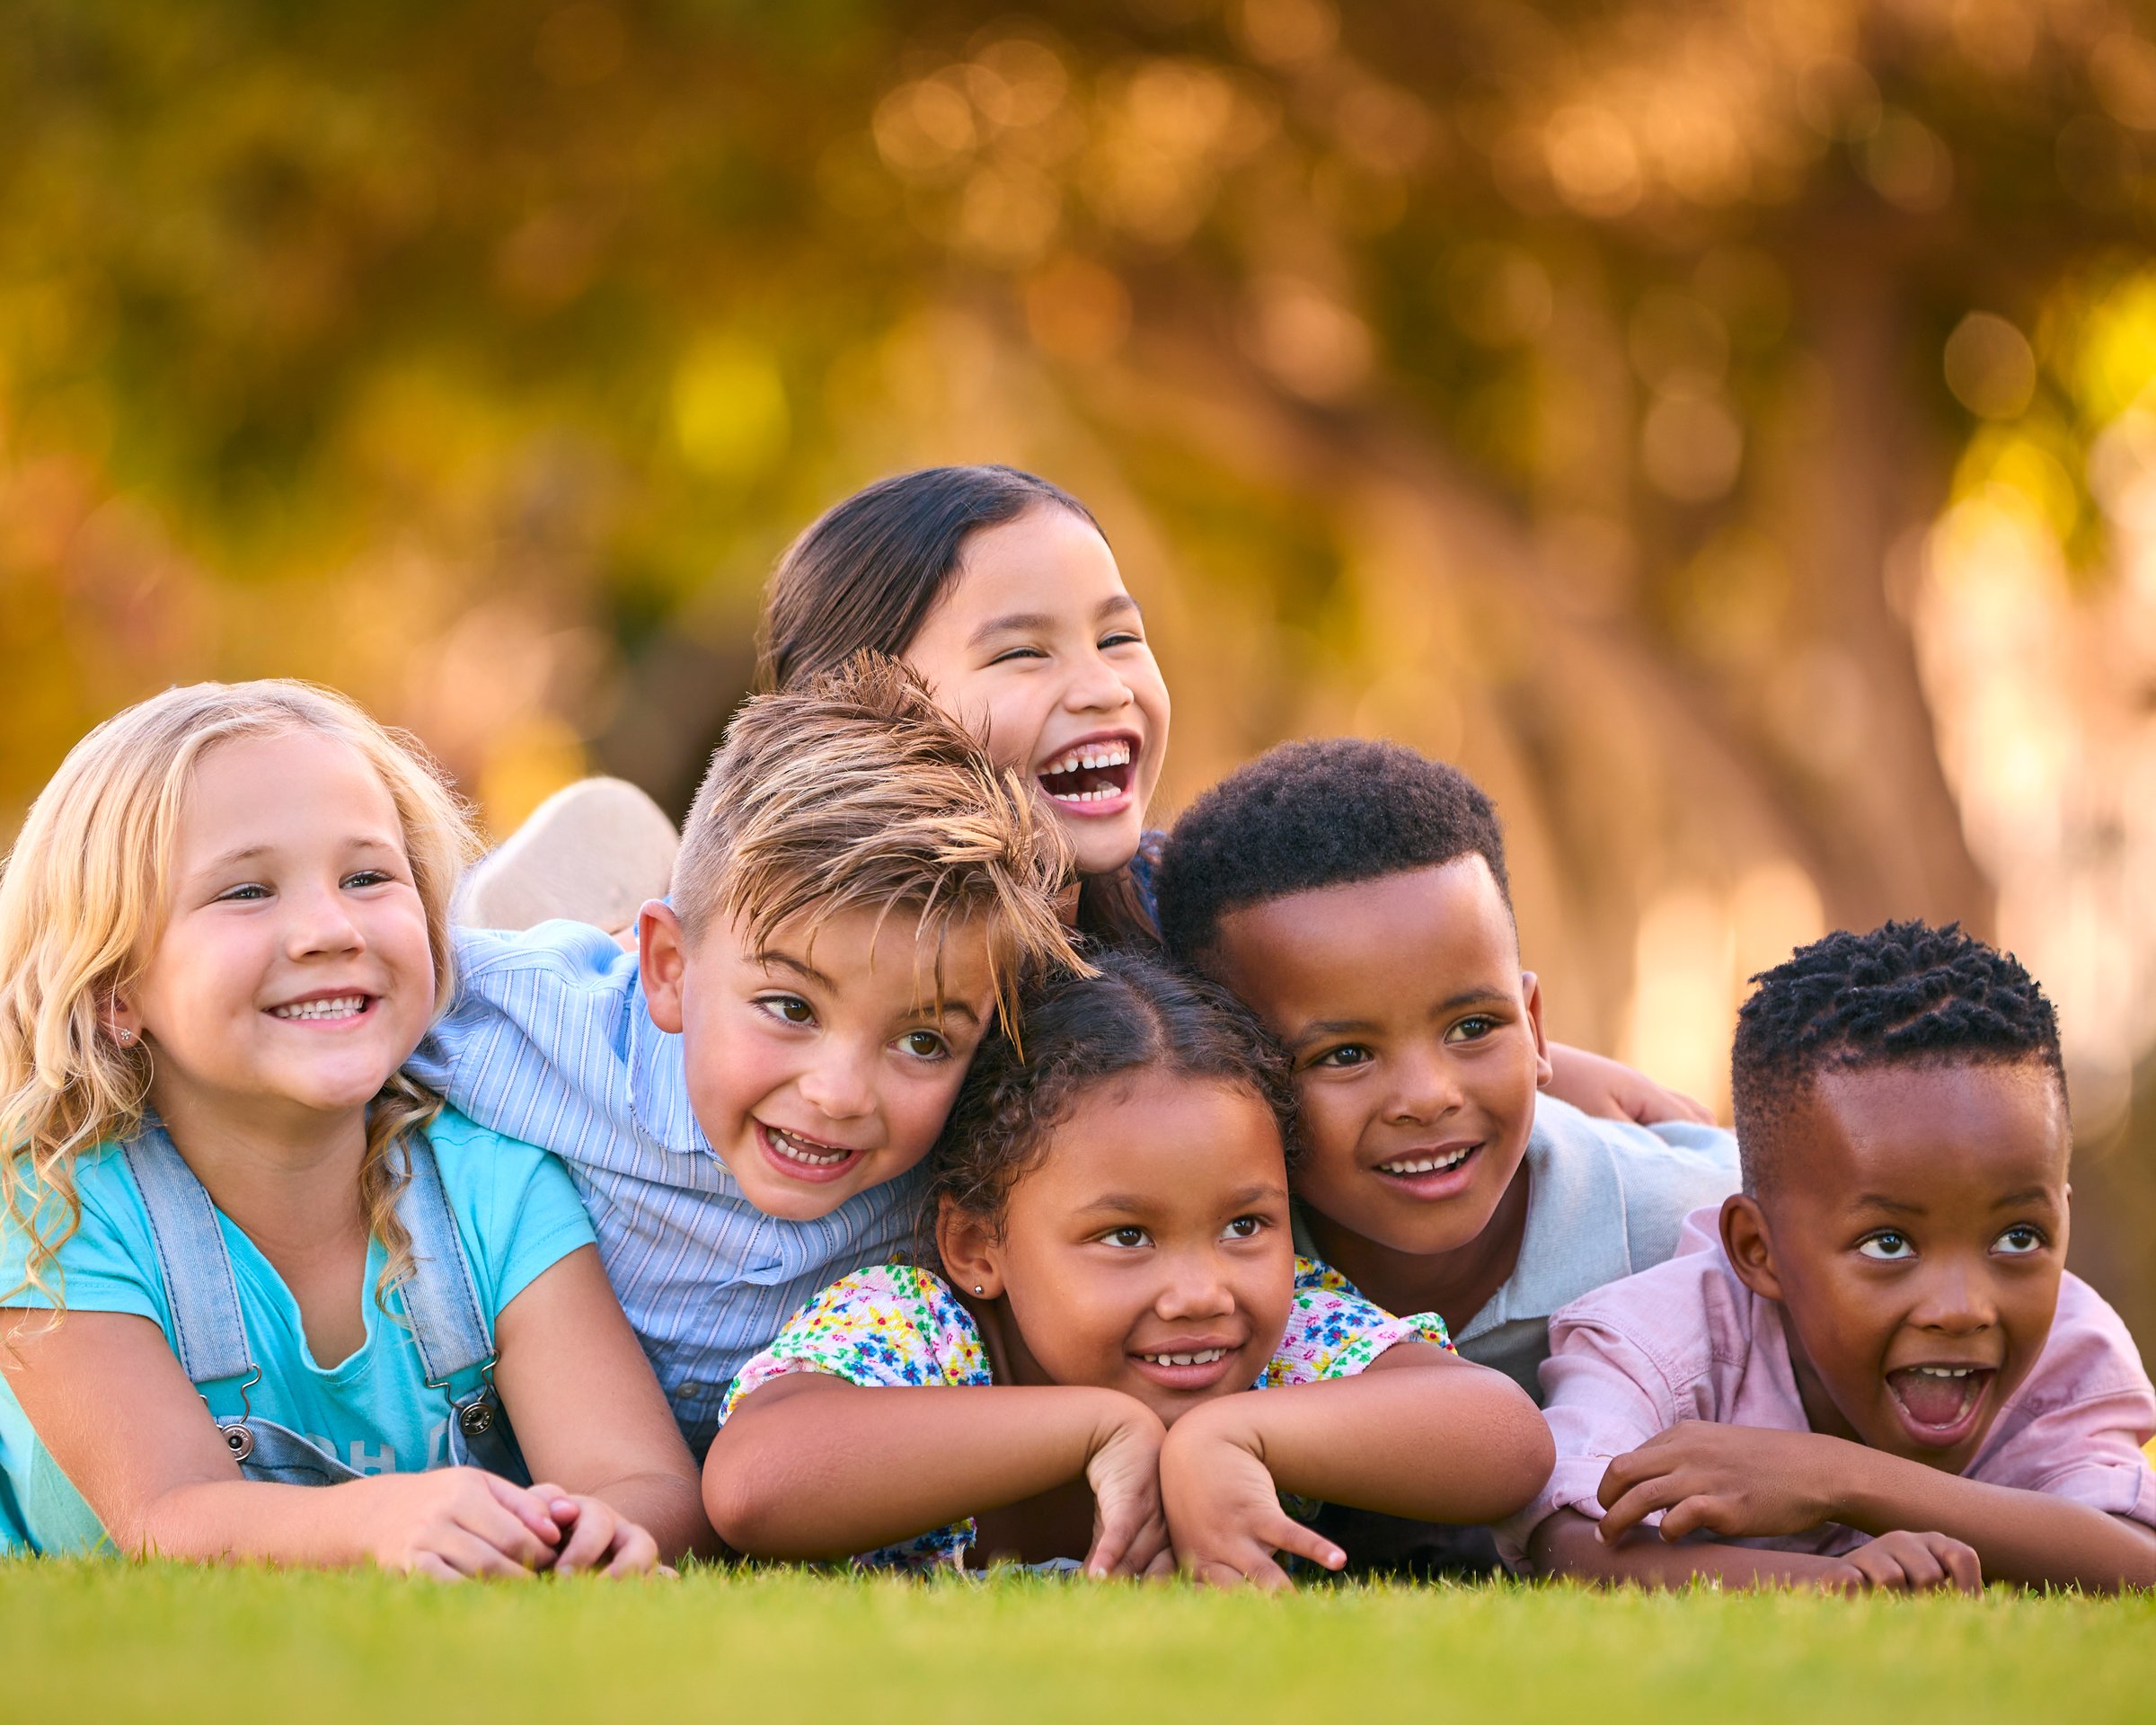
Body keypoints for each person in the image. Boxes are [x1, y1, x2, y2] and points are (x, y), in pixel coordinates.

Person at [0, 682, 703, 1574]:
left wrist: (596, 1535)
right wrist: (383, 1523)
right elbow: (166, 1514)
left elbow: (642, 1480)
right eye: (248, 890)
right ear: (115, 993)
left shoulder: (492, 1181)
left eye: (368, 878)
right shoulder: (53, 1206)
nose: (328, 928)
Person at [702, 951, 1553, 1588]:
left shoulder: (1285, 1335)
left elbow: (1504, 1439)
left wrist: (1232, 1438)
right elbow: (755, 1485)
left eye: (1246, 1224)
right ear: (976, 1247)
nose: (1200, 1293)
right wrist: (1099, 1430)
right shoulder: (922, 1326)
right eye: (1126, 1237)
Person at [406, 656, 1082, 1451]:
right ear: (667, 969)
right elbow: (350, 1006)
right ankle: (568, 916)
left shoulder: (953, 1164)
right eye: (792, 1007)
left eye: (922, 1041)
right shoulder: (528, 1029)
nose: (839, 1094)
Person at [1153, 739, 1738, 1573]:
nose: (1427, 1096)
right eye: (1345, 1055)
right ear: (1233, 1069)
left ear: (1536, 1028)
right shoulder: (1207, 1270)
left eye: (1473, 1028)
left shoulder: (1700, 1229)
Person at [1507, 921, 2156, 1593]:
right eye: (1889, 1244)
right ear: (1759, 1251)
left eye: (2018, 1237)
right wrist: (1825, 1579)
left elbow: (2138, 1560)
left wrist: (1840, 1479)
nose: (1962, 1309)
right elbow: (1569, 1538)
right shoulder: (1663, 1342)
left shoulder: (2073, 1353)